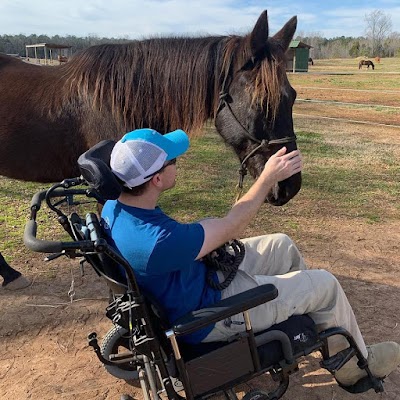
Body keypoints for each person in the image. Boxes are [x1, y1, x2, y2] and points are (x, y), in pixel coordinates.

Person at [101, 128, 400, 388]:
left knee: (282, 245)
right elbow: (232, 225)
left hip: (193, 281)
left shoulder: (115, 208)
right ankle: (354, 368)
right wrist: (268, 177)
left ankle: (304, 333)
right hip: (209, 314)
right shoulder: (158, 242)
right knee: (326, 286)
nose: (178, 165)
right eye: (173, 161)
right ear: (155, 179)